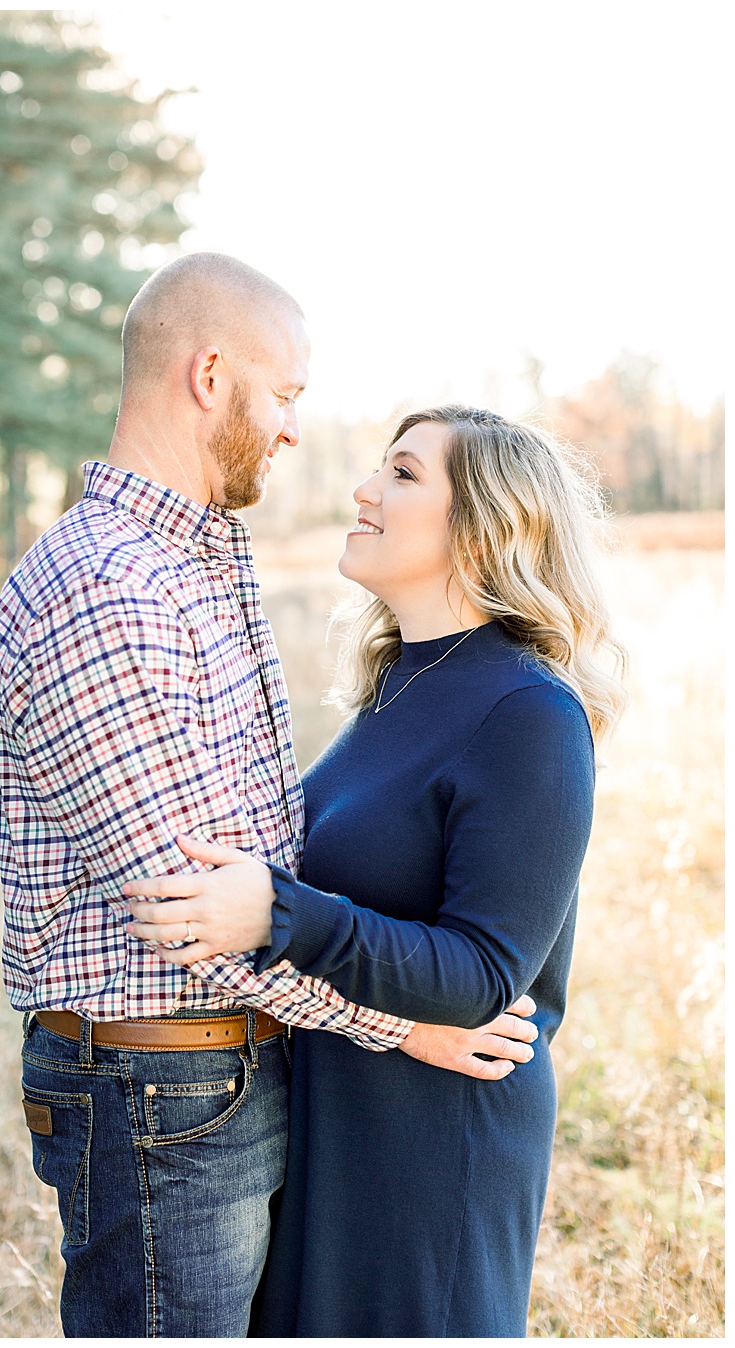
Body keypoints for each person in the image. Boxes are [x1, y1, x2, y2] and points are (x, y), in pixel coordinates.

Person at [0, 253, 538, 1337]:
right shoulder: (109, 586)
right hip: (162, 1087)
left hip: (212, 1076)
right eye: (283, 394)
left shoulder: (186, 562)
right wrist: (405, 1026)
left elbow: (258, 854)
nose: (293, 430)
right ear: (209, 377)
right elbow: (189, 906)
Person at [122, 406, 625, 1336]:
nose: (364, 490)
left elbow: (482, 976)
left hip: (433, 1147)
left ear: (486, 526)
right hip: (335, 1119)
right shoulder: (402, 680)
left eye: (402, 474)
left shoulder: (528, 713)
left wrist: (280, 913)